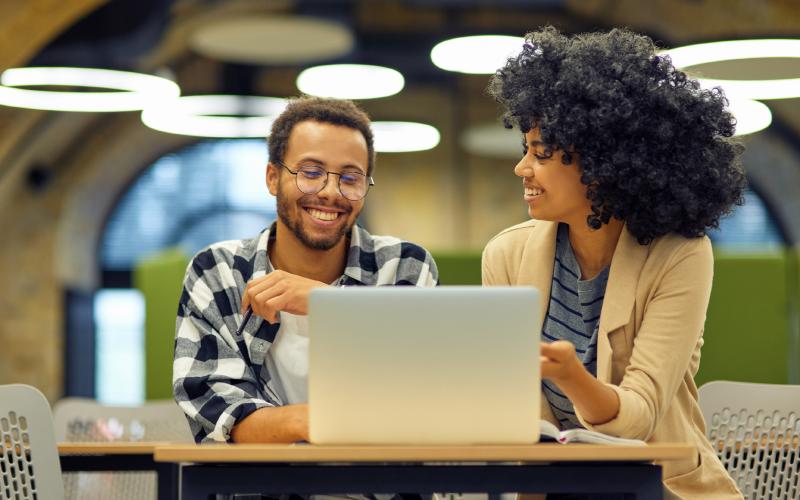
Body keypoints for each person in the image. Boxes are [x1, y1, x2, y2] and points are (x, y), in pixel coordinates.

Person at [482, 27, 745, 498]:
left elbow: (639, 416)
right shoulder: (507, 255)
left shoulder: (679, 254)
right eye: (526, 150)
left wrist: (570, 376)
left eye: (540, 153)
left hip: (659, 488)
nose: (522, 168)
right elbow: (517, 409)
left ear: (604, 165)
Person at [173, 97, 438, 444]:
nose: (330, 192)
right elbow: (220, 417)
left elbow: (423, 394)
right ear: (272, 177)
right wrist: (315, 421)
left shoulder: (403, 266)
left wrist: (327, 303)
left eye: (350, 177)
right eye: (310, 173)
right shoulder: (219, 272)